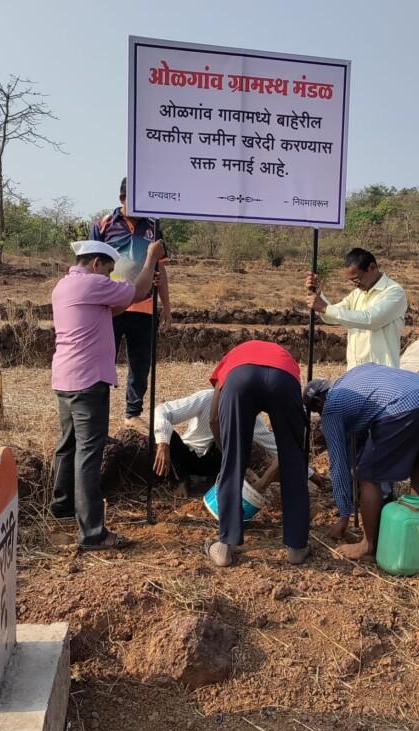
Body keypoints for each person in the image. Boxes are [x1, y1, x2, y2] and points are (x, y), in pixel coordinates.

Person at [50, 239, 161, 550]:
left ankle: (61, 505)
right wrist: (151, 258)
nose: (110, 276)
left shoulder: (64, 286)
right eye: (109, 270)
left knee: (68, 445)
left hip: (65, 378)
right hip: (88, 382)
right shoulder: (92, 284)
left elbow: (114, 309)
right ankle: (93, 533)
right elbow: (135, 293)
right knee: (89, 453)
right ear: (97, 264)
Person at [304, 364, 419, 560]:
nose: (320, 415)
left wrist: (344, 517)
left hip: (403, 407)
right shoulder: (351, 378)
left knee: (368, 477)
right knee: (417, 467)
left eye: (316, 410)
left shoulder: (331, 408)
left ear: (319, 401)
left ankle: (368, 545)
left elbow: (338, 465)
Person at [206, 341, 310, 567]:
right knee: (293, 459)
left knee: (232, 462)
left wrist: (229, 455)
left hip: (238, 377)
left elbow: (214, 419)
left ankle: (225, 548)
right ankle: (297, 547)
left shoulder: (230, 359)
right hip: (284, 377)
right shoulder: (284, 355)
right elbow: (290, 446)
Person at [91, 176, 172, 432]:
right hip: (111, 306)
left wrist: (167, 308)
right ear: (122, 198)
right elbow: (92, 267)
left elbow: (161, 270)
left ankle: (133, 413)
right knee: (104, 361)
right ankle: (96, 411)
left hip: (145, 307)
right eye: (134, 200)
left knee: (140, 364)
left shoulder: (153, 228)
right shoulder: (103, 225)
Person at [153, 388, 277, 496]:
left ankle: (217, 481)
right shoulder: (205, 398)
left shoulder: (248, 414)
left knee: (237, 441)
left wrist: (265, 480)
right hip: (189, 455)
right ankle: (182, 480)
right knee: (167, 435)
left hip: (216, 461)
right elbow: (162, 411)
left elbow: (275, 446)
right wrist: (163, 444)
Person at [305, 247, 407, 369]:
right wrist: (318, 294)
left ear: (372, 268)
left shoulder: (394, 292)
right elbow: (332, 317)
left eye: (357, 279)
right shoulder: (357, 294)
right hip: (355, 372)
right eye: (351, 281)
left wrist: (325, 307)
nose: (355, 284)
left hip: (382, 373)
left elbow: (371, 320)